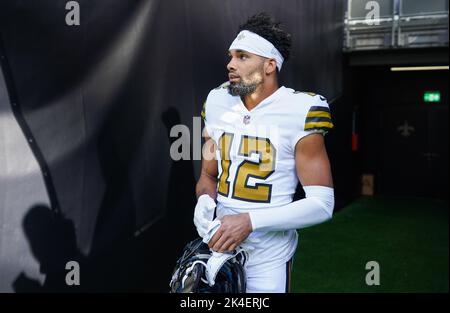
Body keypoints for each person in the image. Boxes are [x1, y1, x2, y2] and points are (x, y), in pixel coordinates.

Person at [194, 12, 335, 293]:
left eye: (243, 56)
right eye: (231, 56)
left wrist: (250, 221)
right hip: (219, 246)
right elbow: (207, 176)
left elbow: (322, 204)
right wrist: (203, 203)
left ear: (270, 65)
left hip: (268, 255)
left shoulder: (302, 110)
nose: (230, 64)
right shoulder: (217, 100)